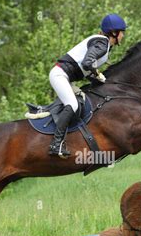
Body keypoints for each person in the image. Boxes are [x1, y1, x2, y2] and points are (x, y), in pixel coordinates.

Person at [48, 13, 127, 158]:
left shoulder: (104, 45)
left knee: (81, 101)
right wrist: (97, 73)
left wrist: (102, 80)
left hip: (65, 76)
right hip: (59, 75)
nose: (122, 36)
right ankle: (56, 143)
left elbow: (84, 69)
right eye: (122, 32)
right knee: (73, 104)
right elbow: (87, 63)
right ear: (114, 32)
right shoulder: (103, 43)